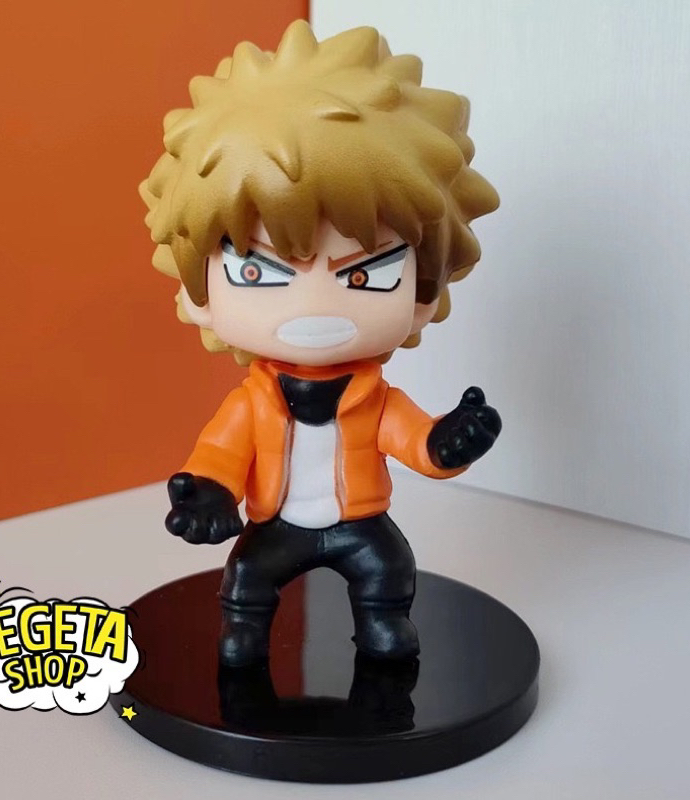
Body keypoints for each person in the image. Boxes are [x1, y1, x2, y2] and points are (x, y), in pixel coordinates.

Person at [140, 20, 501, 666]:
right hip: (275, 525)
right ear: (200, 294)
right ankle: (244, 636)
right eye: (260, 272)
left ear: (422, 295)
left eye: (364, 274)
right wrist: (209, 493)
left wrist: (449, 442)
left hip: (361, 524)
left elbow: (415, 440)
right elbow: (220, 453)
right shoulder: (252, 404)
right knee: (247, 579)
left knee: (390, 570)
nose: (313, 307)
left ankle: (384, 629)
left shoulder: (375, 400)